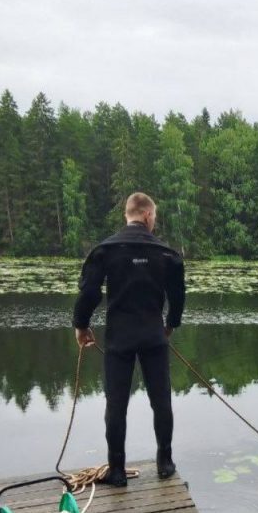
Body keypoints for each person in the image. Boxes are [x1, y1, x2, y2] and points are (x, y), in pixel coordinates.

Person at [71, 192, 186, 486]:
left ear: (128, 215)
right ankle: (165, 462)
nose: (154, 221)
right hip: (153, 336)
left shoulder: (106, 251)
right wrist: (170, 324)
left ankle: (118, 470)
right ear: (147, 215)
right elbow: (177, 296)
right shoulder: (166, 254)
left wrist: (80, 325)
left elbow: (90, 292)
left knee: (116, 404)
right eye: (154, 217)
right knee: (161, 401)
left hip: (119, 338)